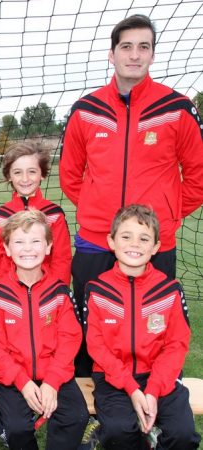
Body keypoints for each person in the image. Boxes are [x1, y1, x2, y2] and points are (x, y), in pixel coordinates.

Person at [59, 14, 203, 375]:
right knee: (89, 331)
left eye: (143, 47)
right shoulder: (86, 110)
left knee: (153, 332)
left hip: (155, 243)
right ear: (112, 54)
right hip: (96, 242)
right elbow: (70, 176)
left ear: (153, 54)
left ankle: (153, 403)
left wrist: (164, 218)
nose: (134, 55)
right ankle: (90, 403)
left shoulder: (177, 108)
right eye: (126, 47)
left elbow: (198, 175)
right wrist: (97, 211)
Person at [84, 204, 201, 450]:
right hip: (113, 377)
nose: (134, 244)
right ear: (112, 241)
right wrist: (132, 388)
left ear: (156, 247)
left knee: (182, 434)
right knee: (117, 431)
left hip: (160, 376)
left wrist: (153, 390)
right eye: (126, 237)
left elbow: (176, 345)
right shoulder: (97, 290)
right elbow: (96, 346)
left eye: (144, 238)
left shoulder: (169, 291)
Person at [0, 209, 88, 450]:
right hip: (13, 378)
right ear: (7, 249)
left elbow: (70, 339)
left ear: (48, 247)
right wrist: (22, 382)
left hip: (55, 374)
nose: (28, 249)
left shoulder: (59, 293)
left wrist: (52, 382)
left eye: (36, 241)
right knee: (17, 428)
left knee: (76, 416)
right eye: (19, 242)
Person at [0, 140, 71, 303]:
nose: (25, 179)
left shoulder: (54, 214)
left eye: (32, 171)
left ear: (42, 174)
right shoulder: (0, 216)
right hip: (8, 295)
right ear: (9, 176)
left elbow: (61, 260)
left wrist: (58, 296)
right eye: (18, 172)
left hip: (45, 294)